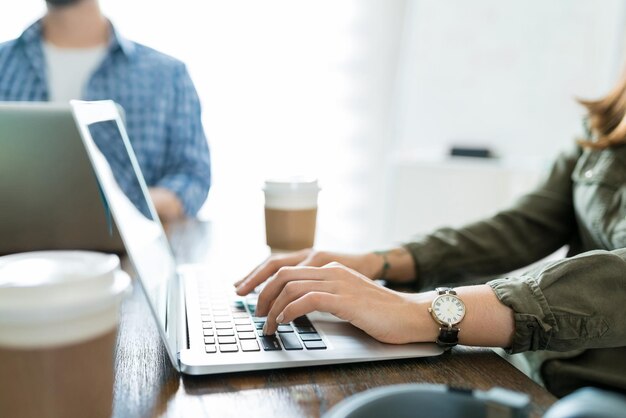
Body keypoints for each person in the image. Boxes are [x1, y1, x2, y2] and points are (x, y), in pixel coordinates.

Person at [235, 74, 626, 397]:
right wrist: (377, 262)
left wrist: (424, 312)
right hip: (535, 366)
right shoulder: (612, 118)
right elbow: (522, 226)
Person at [0, 0, 211, 221]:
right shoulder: (3, 65)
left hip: (128, 249)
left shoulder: (167, 76)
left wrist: (124, 210)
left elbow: (192, 177)